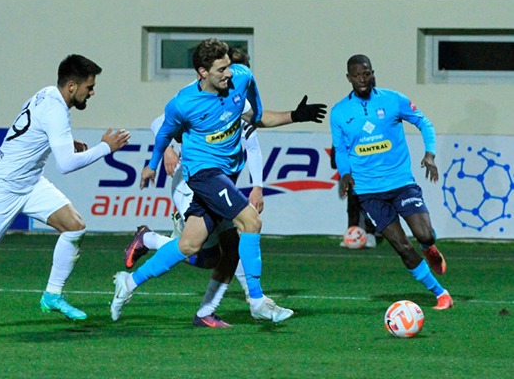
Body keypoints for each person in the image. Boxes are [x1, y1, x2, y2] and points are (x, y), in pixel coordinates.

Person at [110, 38, 326, 323]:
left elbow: (256, 117)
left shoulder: (241, 78)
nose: (229, 73)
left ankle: (129, 282)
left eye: (229, 66)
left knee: (190, 245)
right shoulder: (184, 103)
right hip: (203, 173)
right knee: (251, 222)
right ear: (203, 72)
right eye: (222, 69)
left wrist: (295, 116)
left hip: (226, 174)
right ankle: (257, 301)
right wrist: (153, 165)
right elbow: (163, 133)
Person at [0, 54, 131, 330]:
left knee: (74, 226)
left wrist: (63, 140)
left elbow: (31, 128)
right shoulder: (56, 110)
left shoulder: (48, 94)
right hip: (2, 189)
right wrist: (106, 148)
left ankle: (52, 295)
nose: (92, 92)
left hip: (31, 183)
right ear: (72, 86)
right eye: (90, 87)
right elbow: (65, 165)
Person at [330, 54, 452, 310]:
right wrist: (345, 173)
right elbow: (340, 149)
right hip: (369, 192)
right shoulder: (339, 112)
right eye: (357, 75)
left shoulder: (393, 100)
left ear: (372, 73)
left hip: (401, 184)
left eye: (367, 73)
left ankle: (429, 247)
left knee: (425, 234)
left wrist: (429, 153)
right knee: (402, 247)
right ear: (348, 77)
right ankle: (441, 294)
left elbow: (424, 122)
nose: (363, 79)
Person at [124, 110, 263, 327]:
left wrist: (258, 186)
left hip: (217, 184)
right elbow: (158, 122)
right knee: (203, 253)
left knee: (230, 245)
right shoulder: (200, 99)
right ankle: (149, 241)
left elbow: (253, 144)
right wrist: (168, 149)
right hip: (190, 185)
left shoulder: (238, 103)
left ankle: (211, 311)